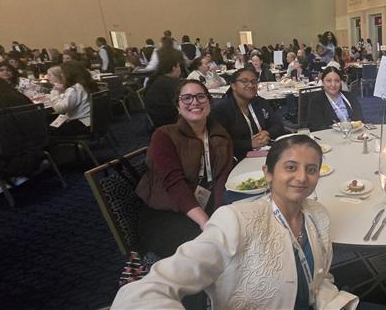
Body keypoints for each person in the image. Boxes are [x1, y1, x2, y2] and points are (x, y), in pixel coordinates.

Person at [114, 135, 358, 309]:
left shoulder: (318, 216)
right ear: (268, 173)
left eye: (312, 169)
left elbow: (319, 278)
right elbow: (145, 292)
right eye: (291, 167)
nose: (302, 177)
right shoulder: (236, 220)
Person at [134, 80, 233, 259]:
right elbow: (174, 185)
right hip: (166, 212)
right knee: (210, 252)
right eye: (186, 98)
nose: (194, 102)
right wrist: (206, 223)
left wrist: (219, 217)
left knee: (235, 236)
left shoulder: (220, 135)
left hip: (207, 204)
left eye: (201, 97)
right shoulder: (164, 135)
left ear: (209, 102)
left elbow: (221, 179)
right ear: (178, 107)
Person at [210, 68, 284, 160]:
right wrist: (249, 144)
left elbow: (278, 125)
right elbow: (221, 143)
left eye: (254, 81)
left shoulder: (261, 102)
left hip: (264, 154)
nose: (251, 85)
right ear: (233, 86)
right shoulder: (220, 109)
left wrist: (267, 133)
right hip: (236, 159)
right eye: (244, 81)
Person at [48, 63, 100, 136]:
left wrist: (55, 92)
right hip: (94, 121)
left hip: (82, 125)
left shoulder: (75, 89)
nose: (61, 76)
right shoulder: (86, 85)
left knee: (46, 129)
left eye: (63, 74)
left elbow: (59, 109)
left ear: (69, 75)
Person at [307, 67, 363, 131]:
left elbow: (360, 119)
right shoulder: (316, 101)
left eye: (337, 81)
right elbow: (318, 127)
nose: (333, 84)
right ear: (323, 82)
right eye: (329, 81)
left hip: (353, 134)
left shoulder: (350, 97)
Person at [144, 48, 183, 128]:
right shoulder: (170, 83)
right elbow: (181, 104)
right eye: (179, 66)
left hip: (158, 119)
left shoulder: (158, 79)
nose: (180, 70)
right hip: (170, 121)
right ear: (174, 68)